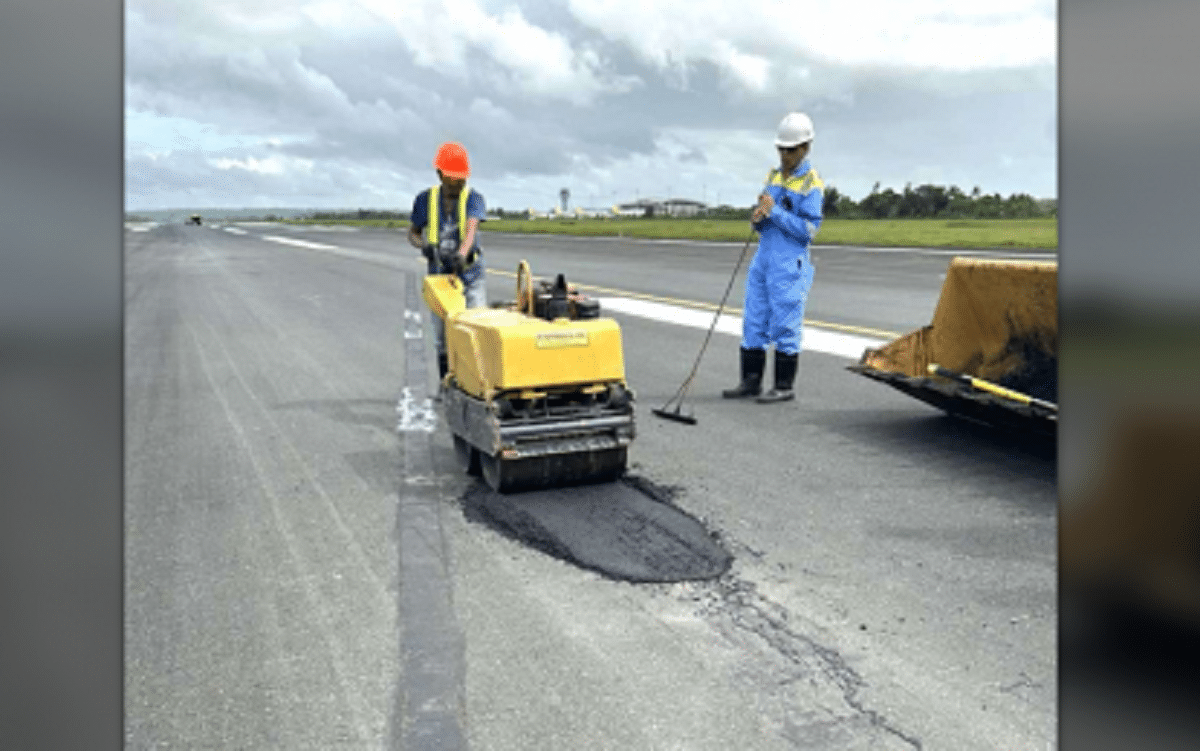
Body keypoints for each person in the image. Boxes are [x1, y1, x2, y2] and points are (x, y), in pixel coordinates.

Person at [723, 112, 824, 403]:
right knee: (753, 319)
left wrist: (775, 212)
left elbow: (808, 230)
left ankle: (783, 385)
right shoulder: (774, 175)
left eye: (790, 150)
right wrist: (757, 219)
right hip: (764, 258)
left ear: (805, 147)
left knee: (785, 322)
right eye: (781, 149)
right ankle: (750, 381)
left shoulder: (811, 184)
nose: (784, 155)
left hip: (789, 263)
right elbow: (765, 217)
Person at [407, 141, 489, 381]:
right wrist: (425, 246)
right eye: (453, 180)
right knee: (443, 337)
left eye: (462, 180)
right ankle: (447, 384)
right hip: (440, 280)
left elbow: (471, 230)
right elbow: (412, 233)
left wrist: (462, 254)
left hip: (470, 275)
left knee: (477, 331)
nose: (458, 185)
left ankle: (477, 385)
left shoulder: (474, 198)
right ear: (440, 175)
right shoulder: (425, 199)